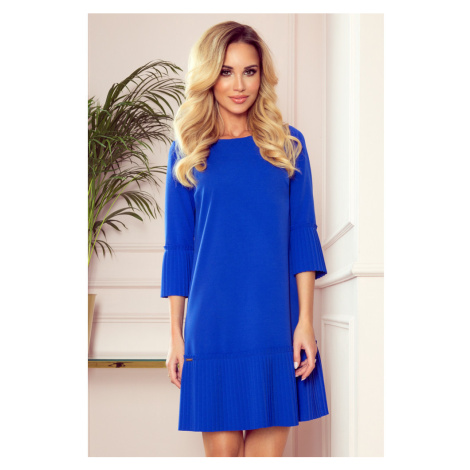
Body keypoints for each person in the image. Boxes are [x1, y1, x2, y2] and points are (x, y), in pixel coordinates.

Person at [161, 21, 328, 457]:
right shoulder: (187, 150)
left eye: (249, 71)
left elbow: (301, 236)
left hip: (272, 321)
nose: (239, 85)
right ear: (208, 76)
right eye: (226, 72)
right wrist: (176, 334)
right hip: (211, 326)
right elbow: (180, 248)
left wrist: (305, 321)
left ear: (261, 75)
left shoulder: (288, 145)